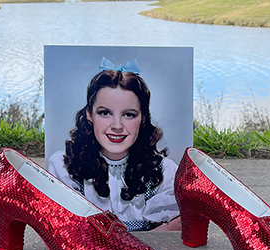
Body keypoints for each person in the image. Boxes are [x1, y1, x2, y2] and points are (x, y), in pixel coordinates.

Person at [48, 60, 181, 231]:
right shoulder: (64, 168)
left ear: (143, 118)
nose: (117, 126)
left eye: (129, 115)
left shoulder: (164, 173)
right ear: (89, 115)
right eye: (105, 113)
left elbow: (176, 231)